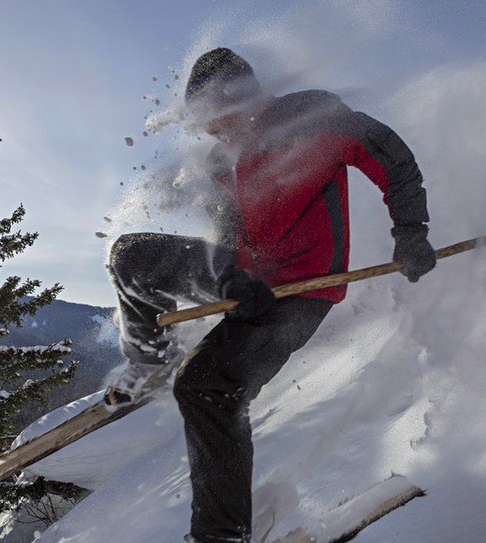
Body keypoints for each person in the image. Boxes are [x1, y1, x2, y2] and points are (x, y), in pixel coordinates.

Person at [106, 47, 436, 543]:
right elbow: (226, 232)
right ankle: (149, 357)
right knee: (130, 253)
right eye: (203, 121)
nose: (213, 130)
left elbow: (391, 156)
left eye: (220, 116)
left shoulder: (313, 119)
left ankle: (220, 535)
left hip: (302, 288)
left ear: (252, 98)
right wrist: (229, 279)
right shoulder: (221, 160)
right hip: (246, 281)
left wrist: (410, 230)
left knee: (204, 388)